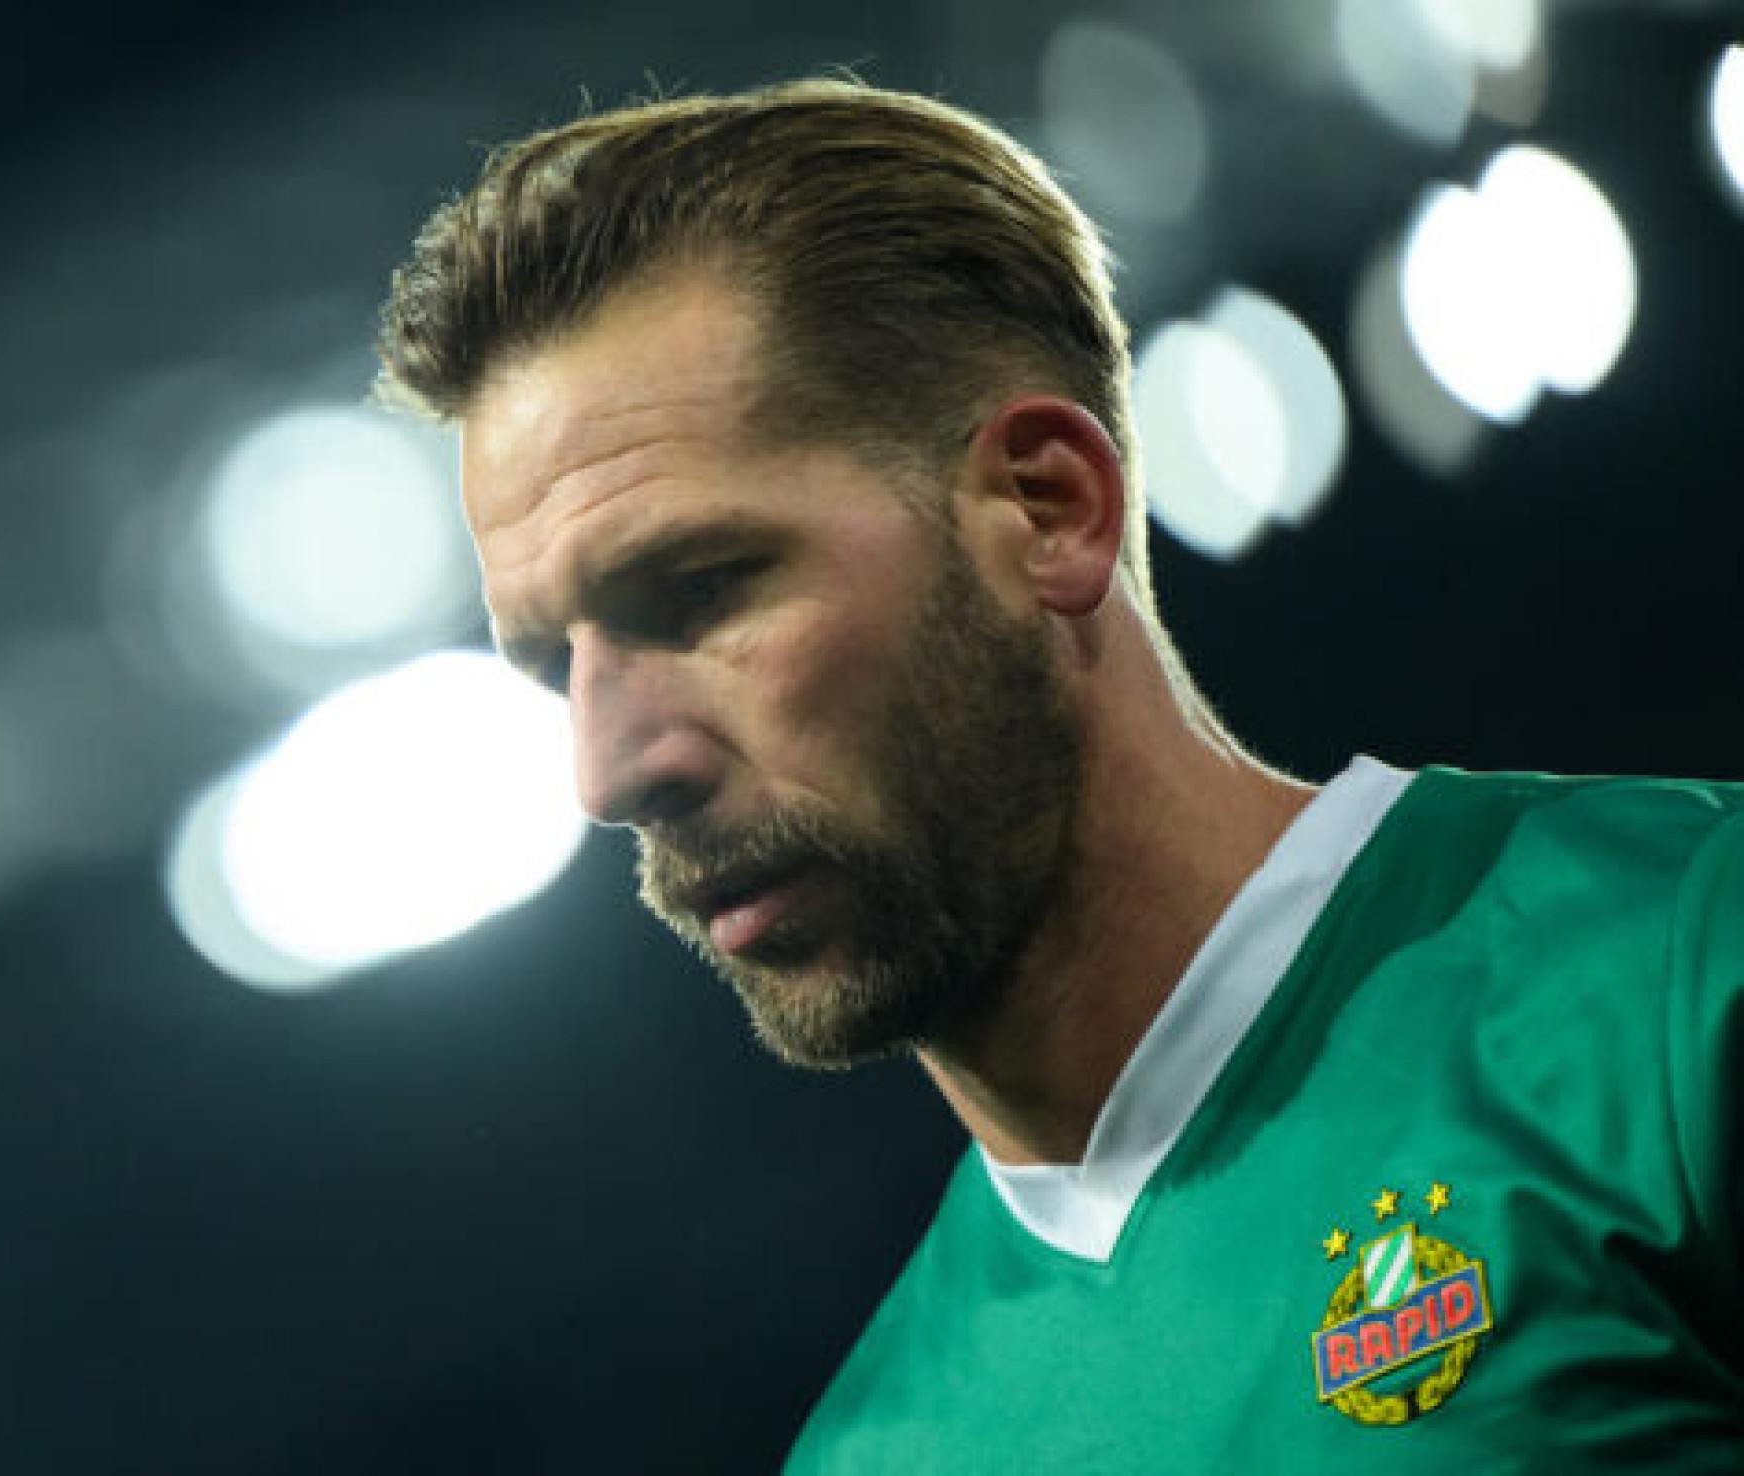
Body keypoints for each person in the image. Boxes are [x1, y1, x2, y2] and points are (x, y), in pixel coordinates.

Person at [374, 78, 1744, 1470]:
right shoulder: (874, 1458)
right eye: (552, 667)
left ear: (1049, 509)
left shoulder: (1683, 977)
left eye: (698, 589)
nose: (609, 772)